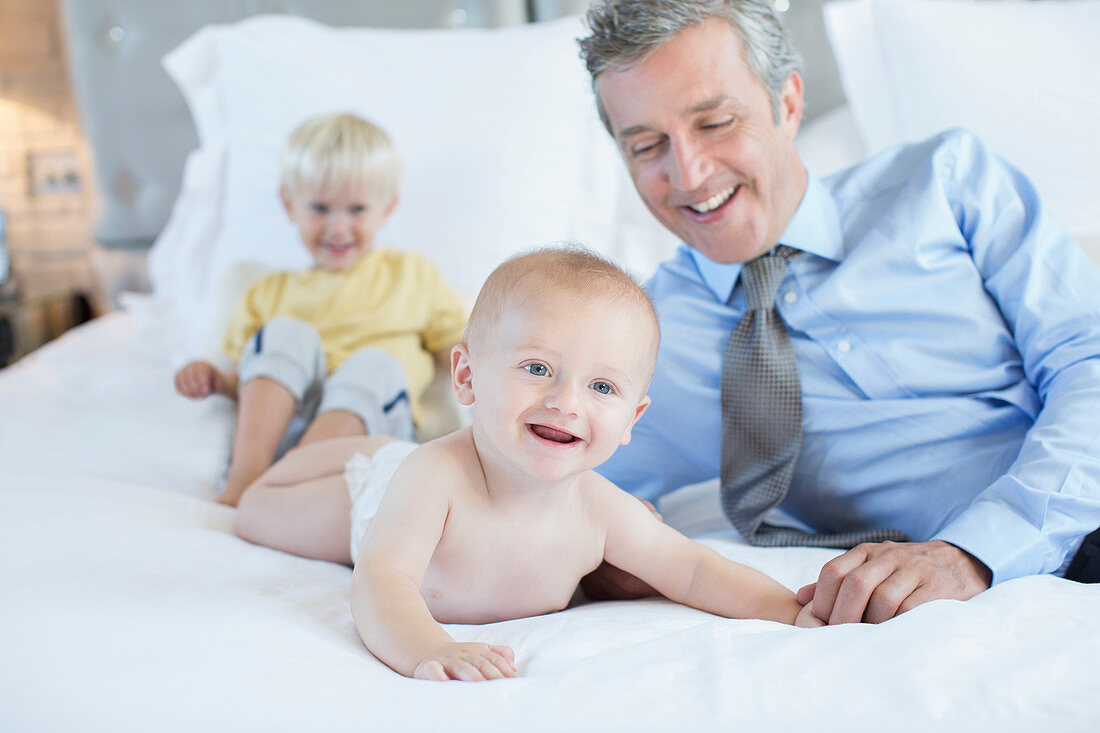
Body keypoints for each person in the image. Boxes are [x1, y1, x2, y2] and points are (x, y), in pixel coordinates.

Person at [577, 0, 1100, 624]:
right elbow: (522, 474)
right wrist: (593, 547)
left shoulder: (949, 182)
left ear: (788, 103)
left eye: (715, 122)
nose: (687, 172)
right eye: (646, 145)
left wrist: (977, 549)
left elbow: (1087, 360)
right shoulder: (635, 335)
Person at [234, 246, 821, 681]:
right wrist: (427, 648)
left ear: (632, 420)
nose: (566, 403)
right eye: (537, 368)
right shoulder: (435, 477)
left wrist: (790, 611)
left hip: (399, 467)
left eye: (601, 387)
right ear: (467, 376)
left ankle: (361, 407)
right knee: (255, 507)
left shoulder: (600, 510)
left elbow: (693, 570)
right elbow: (381, 579)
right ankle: (351, 414)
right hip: (372, 492)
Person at [173, 113, 466, 506]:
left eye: (357, 209)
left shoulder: (411, 274)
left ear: (387, 208)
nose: (338, 228)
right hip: (284, 430)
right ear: (289, 204)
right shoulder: (268, 292)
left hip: (367, 435)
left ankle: (285, 486)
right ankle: (247, 482)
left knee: (375, 364)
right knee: (285, 333)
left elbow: (461, 353)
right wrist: (211, 377)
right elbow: (242, 380)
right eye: (320, 208)